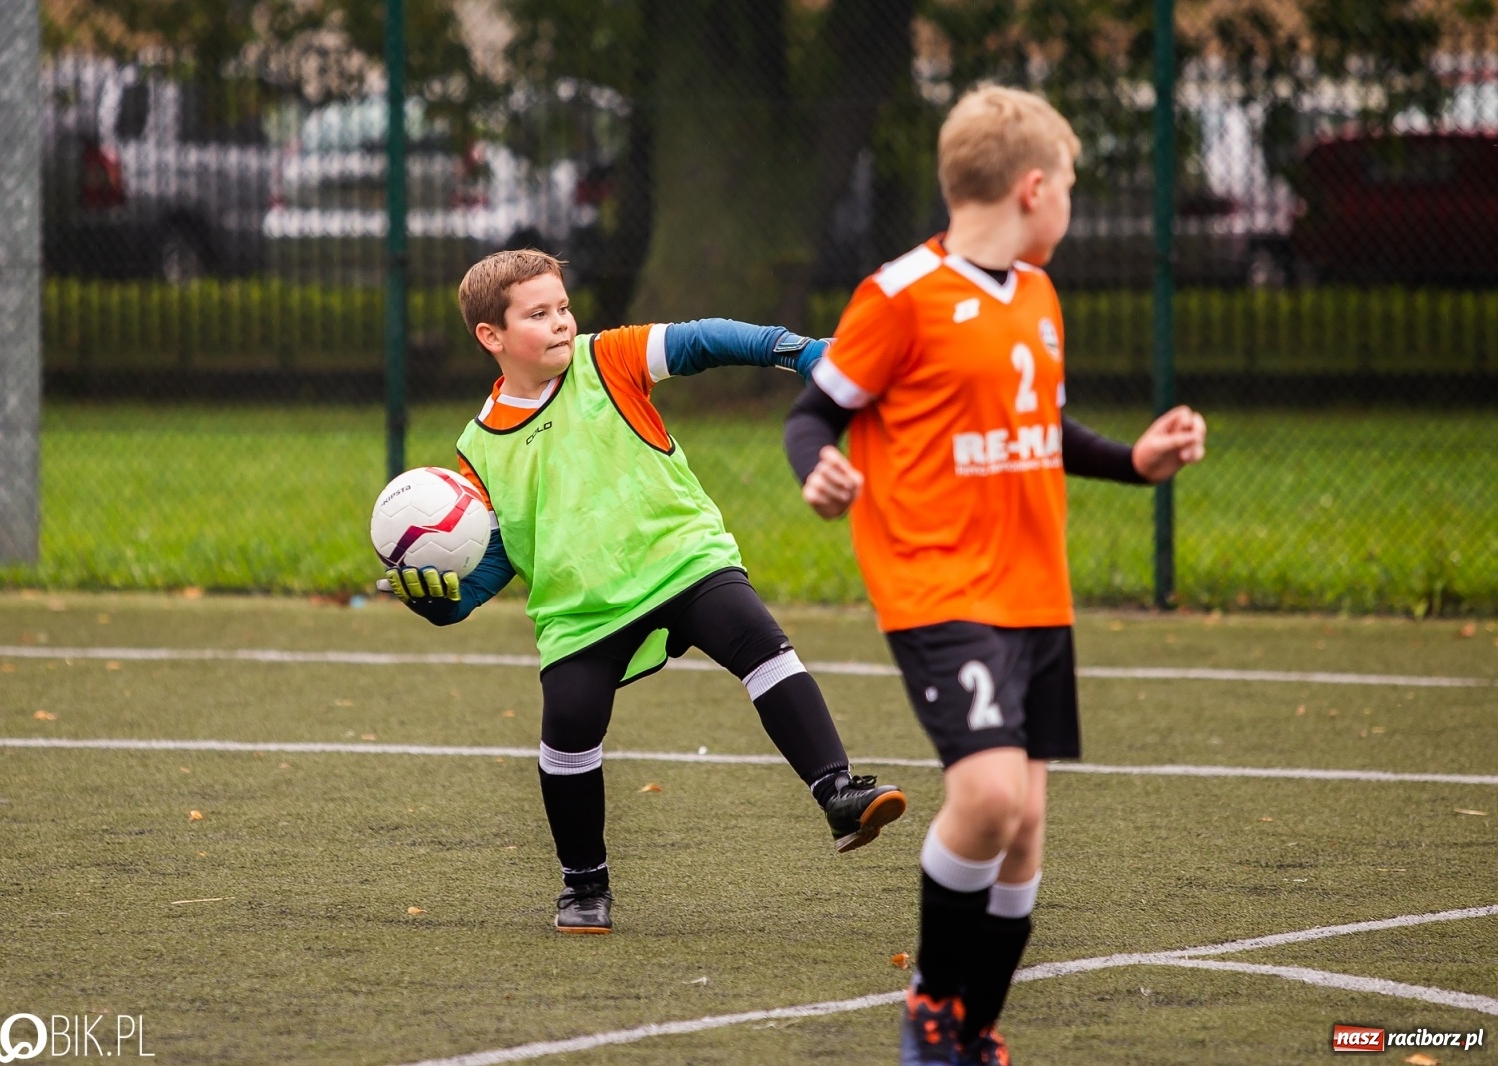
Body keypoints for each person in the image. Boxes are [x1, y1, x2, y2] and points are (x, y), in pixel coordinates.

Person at [782, 86, 1206, 1064]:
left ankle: (973, 1029)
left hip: (1032, 592)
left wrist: (1131, 461)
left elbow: (1034, 428)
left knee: (1023, 832)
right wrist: (819, 468)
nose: (1067, 202)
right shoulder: (898, 296)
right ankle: (932, 998)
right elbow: (813, 413)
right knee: (988, 799)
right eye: (1066, 185)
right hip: (937, 585)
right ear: (1030, 187)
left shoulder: (1037, 294)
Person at [380, 248, 907, 935]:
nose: (562, 323)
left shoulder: (611, 359)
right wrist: (445, 602)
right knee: (568, 731)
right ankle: (584, 884)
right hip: (581, 608)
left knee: (761, 646)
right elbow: (499, 555)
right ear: (492, 336)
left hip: (682, 559)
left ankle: (837, 792)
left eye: (563, 306)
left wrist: (797, 351)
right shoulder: (477, 448)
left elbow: (704, 340)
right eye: (538, 315)